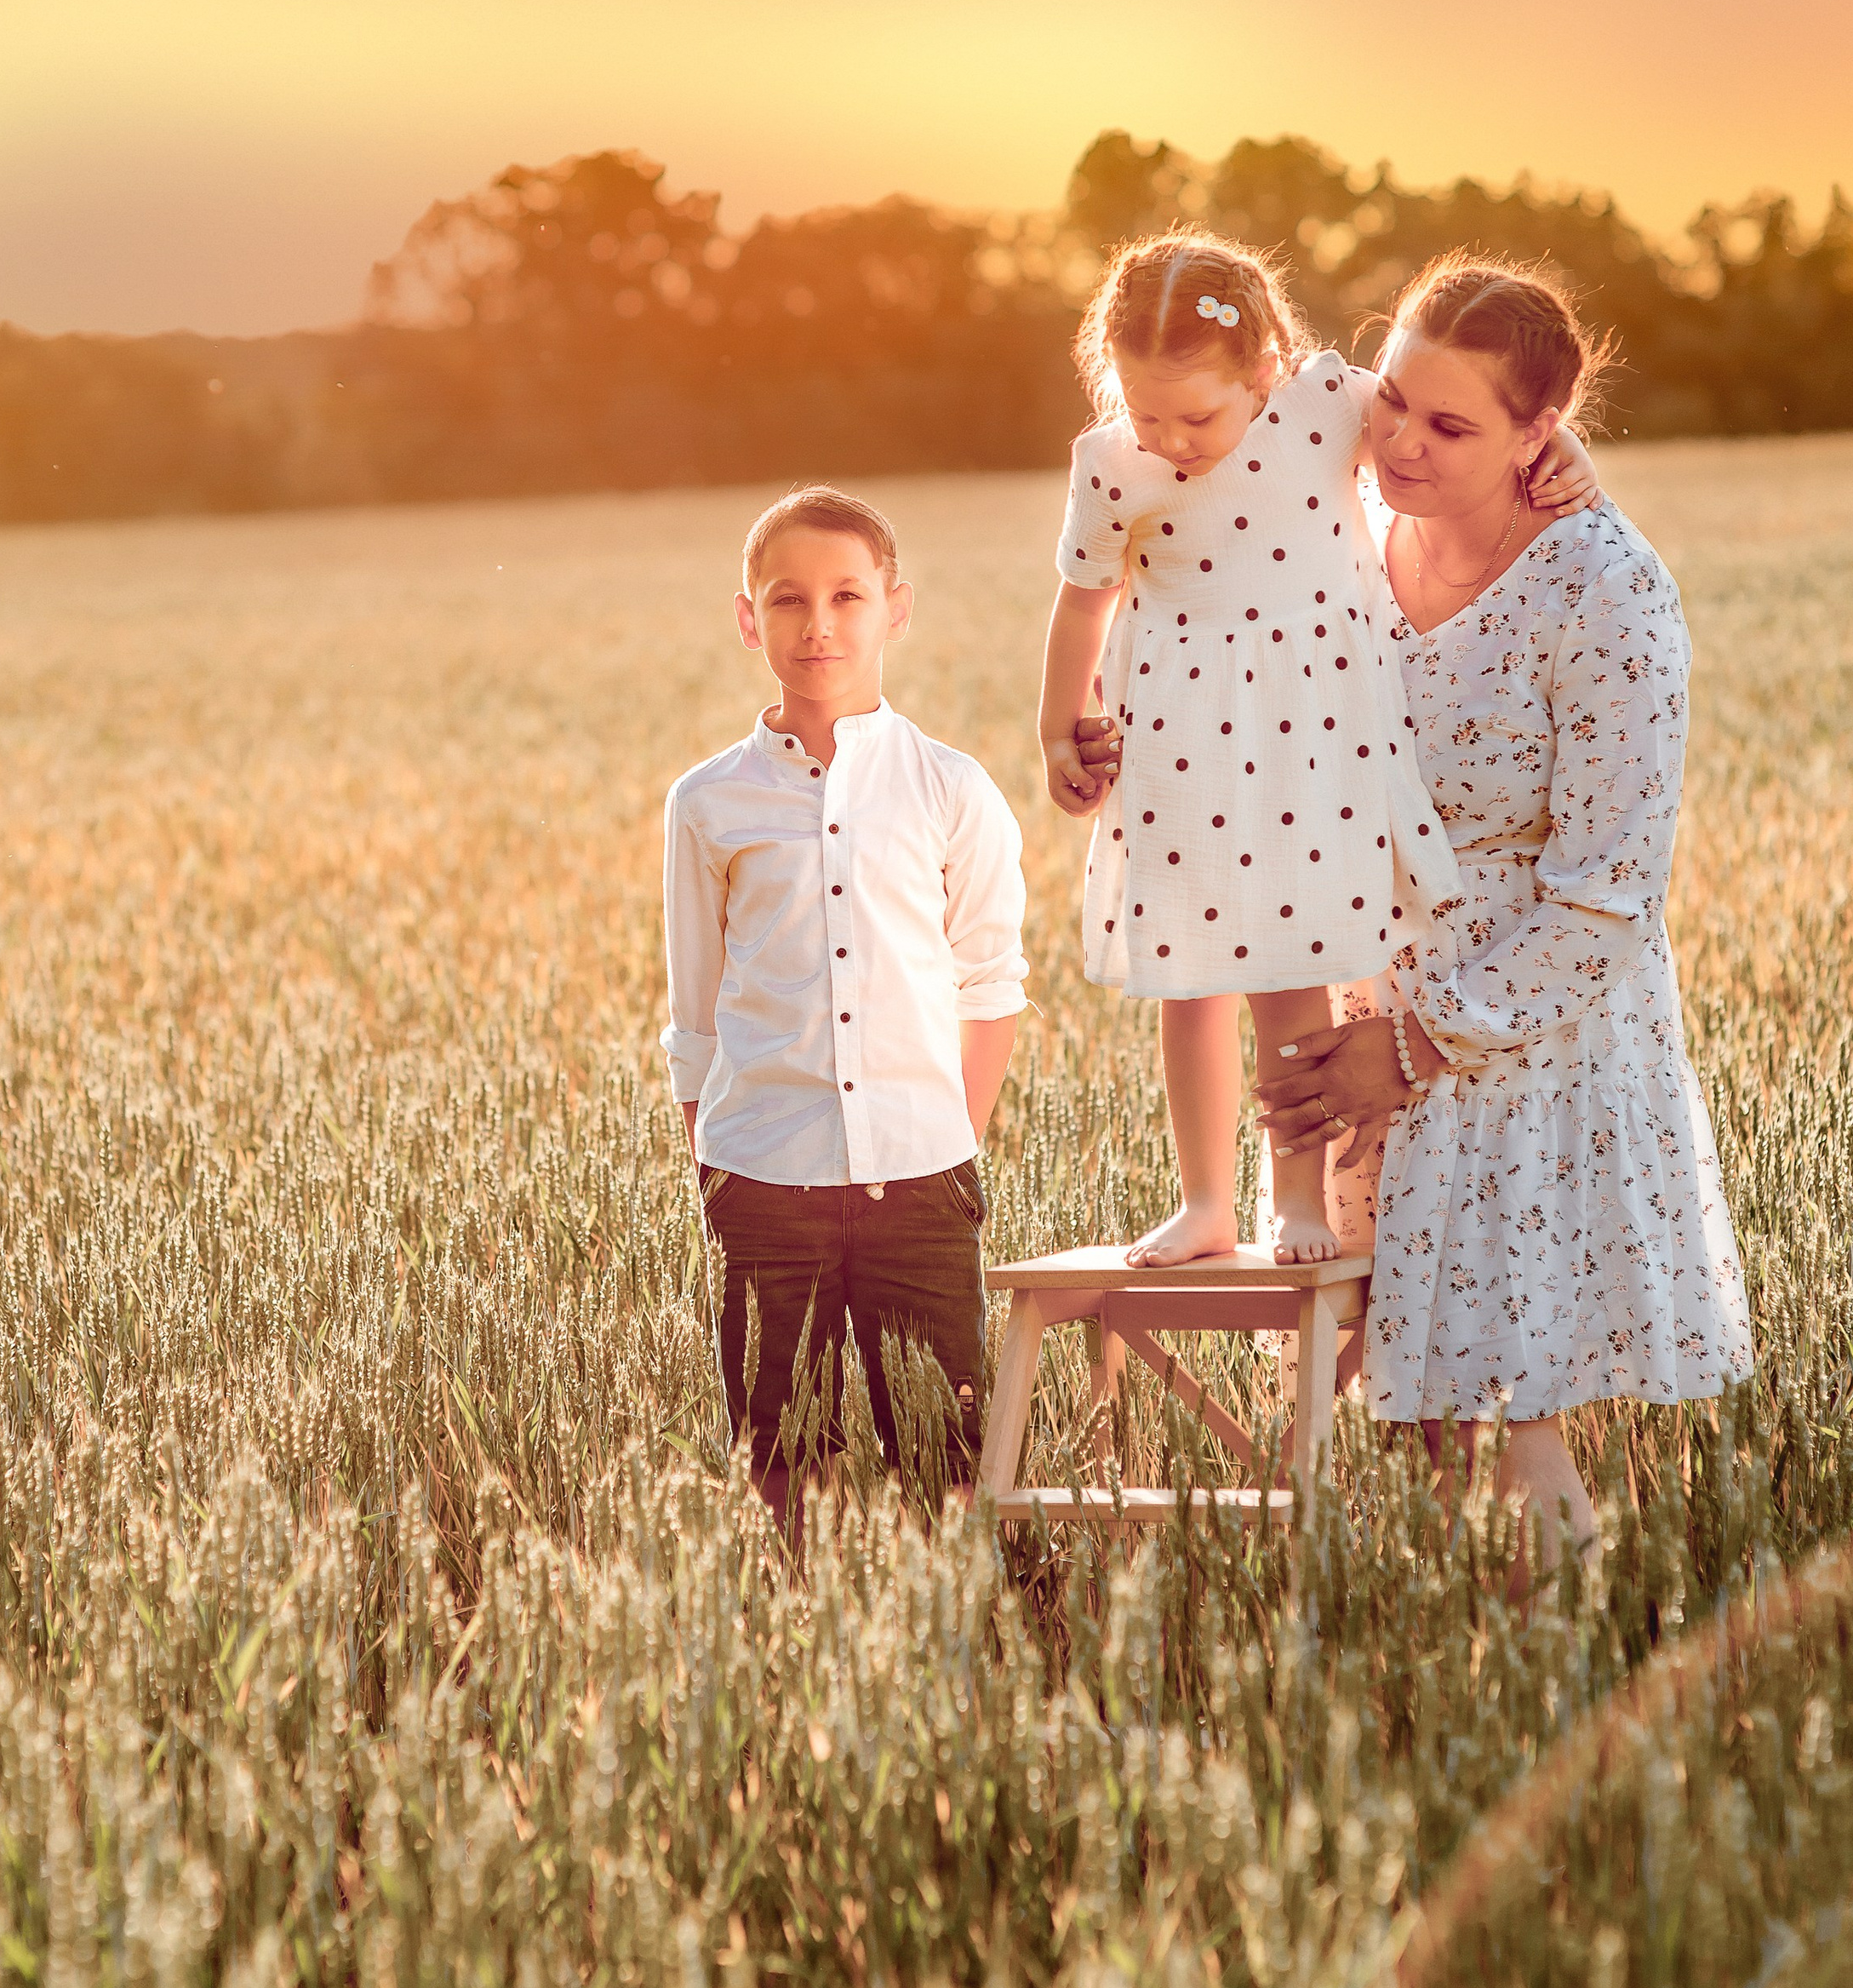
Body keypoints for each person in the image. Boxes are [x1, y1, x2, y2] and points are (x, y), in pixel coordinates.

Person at [1253, 255, 1754, 1567]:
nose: (1403, 444)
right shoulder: (1338, 525)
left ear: (1540, 434)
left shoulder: (1608, 589)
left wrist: (1420, 1044)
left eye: (1452, 424)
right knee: (1407, 1419)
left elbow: (1609, 892)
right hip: (1360, 1009)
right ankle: (1431, 1667)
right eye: (1393, 400)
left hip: (1528, 1042)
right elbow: (1175, 449)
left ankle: (1575, 1658)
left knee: (1515, 1416)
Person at [1037, 229, 1598, 1265]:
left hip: (1309, 748)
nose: (1170, 439)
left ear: (1263, 367)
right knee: (1187, 984)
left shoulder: (1327, 405)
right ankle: (1204, 1202)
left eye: (1195, 416)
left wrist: (1564, 449)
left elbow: (1461, 424)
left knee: (1287, 978)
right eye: (1146, 413)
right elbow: (1083, 600)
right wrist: (1056, 726)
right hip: (1178, 749)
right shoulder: (1113, 466)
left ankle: (1297, 1202)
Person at [662, 485, 1027, 1532]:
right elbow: (695, 1017)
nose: (817, 624)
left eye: (847, 596)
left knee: (948, 1463)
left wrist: (946, 1144)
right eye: (788, 599)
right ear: (749, 619)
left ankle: (956, 1623)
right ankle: (801, 1628)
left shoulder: (952, 788)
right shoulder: (707, 802)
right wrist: (720, 1173)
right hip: (764, 1182)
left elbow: (990, 983)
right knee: (783, 1464)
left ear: (894, 609)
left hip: (921, 1180)